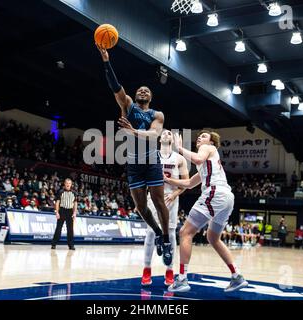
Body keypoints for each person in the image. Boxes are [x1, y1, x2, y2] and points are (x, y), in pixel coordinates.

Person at [98, 46, 172, 266]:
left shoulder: (156, 114)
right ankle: (158, 232)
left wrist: (132, 131)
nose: (143, 91)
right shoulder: (128, 105)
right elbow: (115, 86)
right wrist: (106, 61)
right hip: (133, 162)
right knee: (140, 207)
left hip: (151, 160)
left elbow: (154, 134)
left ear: (151, 97)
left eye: (147, 91)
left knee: (158, 201)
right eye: (140, 89)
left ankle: (167, 239)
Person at [165, 130, 249, 293]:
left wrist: (179, 148)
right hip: (226, 197)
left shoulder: (208, 149)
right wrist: (168, 180)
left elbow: (197, 157)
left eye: (204, 136)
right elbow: (189, 183)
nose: (200, 137)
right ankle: (237, 276)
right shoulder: (206, 164)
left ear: (211, 142)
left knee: (185, 233)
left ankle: (182, 279)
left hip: (215, 193)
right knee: (212, 237)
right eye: (200, 136)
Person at [142, 130, 189, 286]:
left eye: (169, 133)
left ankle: (169, 271)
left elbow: (186, 183)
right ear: (159, 138)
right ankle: (146, 270)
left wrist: (175, 194)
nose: (166, 134)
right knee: (150, 232)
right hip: (154, 198)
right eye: (164, 133)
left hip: (171, 199)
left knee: (170, 233)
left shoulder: (180, 159)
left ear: (172, 139)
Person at [51, 179, 77, 250]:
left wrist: (74, 213)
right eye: (67, 183)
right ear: (64, 184)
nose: (68, 184)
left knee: (70, 230)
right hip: (62, 210)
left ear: (71, 184)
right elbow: (57, 203)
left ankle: (71, 245)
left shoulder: (74, 193)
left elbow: (75, 203)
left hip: (70, 211)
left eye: (69, 183)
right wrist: (57, 212)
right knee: (58, 228)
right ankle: (54, 244)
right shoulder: (60, 192)